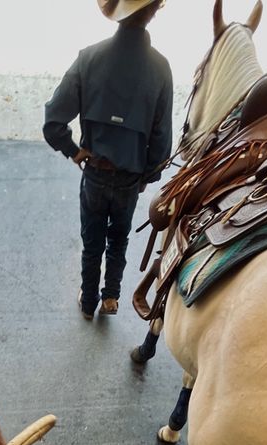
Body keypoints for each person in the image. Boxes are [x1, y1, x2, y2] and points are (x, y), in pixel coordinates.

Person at [43, 0, 173, 321]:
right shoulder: (161, 69)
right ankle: (111, 296)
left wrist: (74, 151)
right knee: (119, 237)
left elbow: (53, 123)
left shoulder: (89, 58)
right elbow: (161, 143)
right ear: (155, 11)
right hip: (130, 178)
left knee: (92, 240)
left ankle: (88, 301)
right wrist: (145, 178)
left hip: (96, 174)